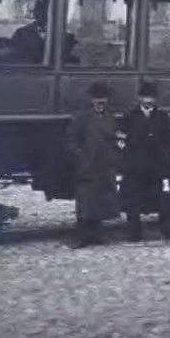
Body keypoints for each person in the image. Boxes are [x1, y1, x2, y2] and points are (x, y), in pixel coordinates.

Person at [65, 81, 121, 248]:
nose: (100, 101)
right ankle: (83, 235)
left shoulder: (110, 116)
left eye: (103, 98)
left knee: (100, 199)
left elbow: (113, 136)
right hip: (87, 164)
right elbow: (71, 139)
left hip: (105, 163)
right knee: (85, 200)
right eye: (97, 98)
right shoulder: (82, 116)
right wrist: (81, 155)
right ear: (91, 99)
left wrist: (115, 150)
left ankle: (97, 234)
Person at [121, 81, 170, 241]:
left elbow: (168, 141)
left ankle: (165, 229)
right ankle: (134, 232)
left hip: (156, 164)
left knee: (161, 197)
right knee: (133, 199)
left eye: (151, 98)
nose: (148, 101)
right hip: (136, 164)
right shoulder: (130, 117)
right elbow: (123, 142)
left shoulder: (163, 117)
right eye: (145, 97)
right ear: (139, 98)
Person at [9, 0, 48, 64]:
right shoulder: (20, 33)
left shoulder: (62, 35)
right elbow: (14, 57)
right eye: (30, 11)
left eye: (39, 10)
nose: (36, 14)